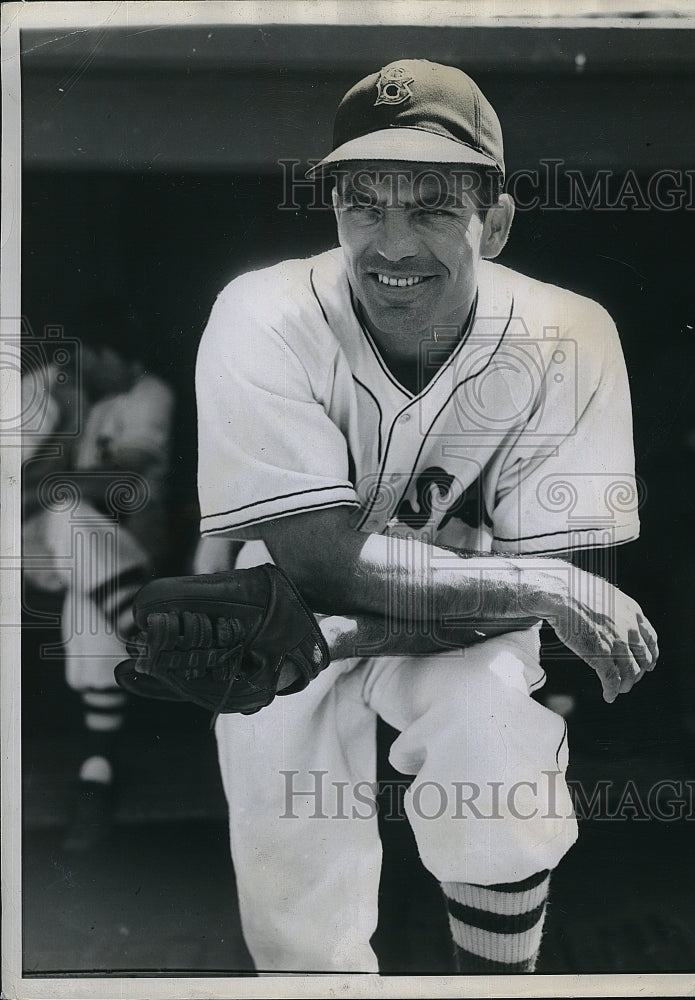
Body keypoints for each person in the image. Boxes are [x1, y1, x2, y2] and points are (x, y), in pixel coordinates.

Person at [195, 60, 658, 973]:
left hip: (422, 616)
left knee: (494, 742)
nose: (392, 243)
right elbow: (326, 558)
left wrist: (527, 588)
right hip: (283, 616)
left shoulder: (571, 334)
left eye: (434, 207)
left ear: (497, 218)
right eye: (364, 203)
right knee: (297, 908)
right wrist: (538, 581)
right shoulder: (262, 313)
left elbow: (544, 596)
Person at [22, 301, 174, 851]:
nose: (82, 362)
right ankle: (147, 642)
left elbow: (125, 480)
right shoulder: (76, 397)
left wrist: (50, 483)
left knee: (83, 561)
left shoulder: (149, 392)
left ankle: (95, 776)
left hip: (129, 545)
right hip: (70, 553)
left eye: (91, 354)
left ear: (117, 355)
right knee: (78, 544)